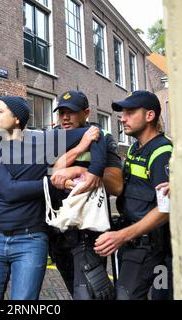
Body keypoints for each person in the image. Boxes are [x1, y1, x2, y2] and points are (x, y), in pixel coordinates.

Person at [0, 96, 108, 300]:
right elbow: (8, 191)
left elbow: (97, 134)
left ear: (17, 119)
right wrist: (52, 182)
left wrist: (94, 171)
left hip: (31, 240)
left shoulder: (44, 142)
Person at [94, 90, 173, 300]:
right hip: (133, 243)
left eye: (129, 112)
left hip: (148, 246)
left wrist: (121, 236)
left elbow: (166, 209)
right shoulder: (134, 149)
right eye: (122, 113)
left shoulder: (162, 153)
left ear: (149, 116)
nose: (122, 118)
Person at [47, 90, 123, 300]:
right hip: (58, 233)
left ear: (86, 113)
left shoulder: (101, 138)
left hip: (88, 234)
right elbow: (51, 173)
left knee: (90, 295)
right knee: (75, 291)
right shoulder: (54, 139)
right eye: (61, 112)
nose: (64, 117)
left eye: (70, 112)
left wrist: (79, 171)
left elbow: (116, 185)